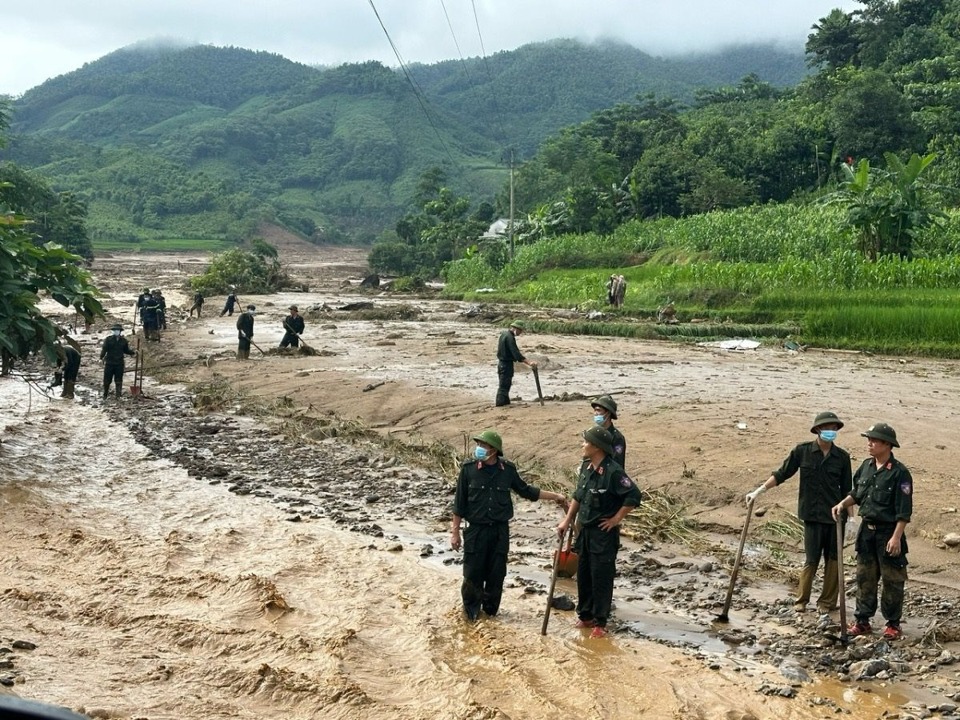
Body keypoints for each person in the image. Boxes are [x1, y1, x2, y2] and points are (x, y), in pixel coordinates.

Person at [450, 429, 567, 621]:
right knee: (472, 575)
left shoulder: (507, 471)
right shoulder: (468, 469)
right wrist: (455, 532)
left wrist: (555, 496)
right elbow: (459, 504)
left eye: (483, 445)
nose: (479, 449)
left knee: (496, 576)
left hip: (499, 532)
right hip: (475, 532)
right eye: (478, 444)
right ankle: (471, 617)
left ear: (494, 450)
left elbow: (526, 491)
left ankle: (490, 615)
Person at [746, 411, 852, 613]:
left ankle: (827, 602)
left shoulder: (842, 457)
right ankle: (801, 601)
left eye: (834, 428)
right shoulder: (802, 451)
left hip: (835, 516)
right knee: (811, 559)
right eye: (827, 428)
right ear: (818, 430)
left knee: (833, 559)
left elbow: (848, 491)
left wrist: (852, 519)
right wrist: (758, 492)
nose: (831, 431)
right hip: (811, 515)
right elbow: (782, 473)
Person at [557, 426, 642, 638]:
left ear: (597, 447)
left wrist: (616, 519)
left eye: (585, 442)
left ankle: (600, 621)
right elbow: (578, 496)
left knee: (601, 577)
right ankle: (585, 615)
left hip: (603, 535)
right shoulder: (586, 468)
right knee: (584, 575)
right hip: (584, 531)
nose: (582, 445)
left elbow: (634, 495)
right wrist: (567, 521)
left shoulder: (613, 472)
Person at [831, 423, 912, 640]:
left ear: (887, 444)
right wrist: (842, 503)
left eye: (874, 440)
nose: (869, 443)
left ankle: (893, 624)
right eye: (869, 439)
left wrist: (896, 537)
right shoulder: (866, 466)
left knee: (892, 580)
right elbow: (856, 493)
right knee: (864, 577)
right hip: (867, 532)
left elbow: (904, 511)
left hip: (888, 533)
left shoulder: (900, 473)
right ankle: (862, 621)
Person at [496, 320, 537, 407]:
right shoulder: (510, 338)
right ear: (515, 328)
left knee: (504, 384)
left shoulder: (504, 334)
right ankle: (500, 404)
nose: (520, 332)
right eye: (520, 330)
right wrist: (529, 362)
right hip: (506, 364)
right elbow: (516, 354)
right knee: (504, 385)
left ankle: (505, 403)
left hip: (501, 363)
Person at [99, 324, 135, 399]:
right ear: (113, 331)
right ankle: (105, 394)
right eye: (115, 330)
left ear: (120, 331)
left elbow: (126, 350)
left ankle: (118, 395)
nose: (116, 332)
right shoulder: (108, 340)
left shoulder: (124, 341)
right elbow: (104, 349)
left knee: (118, 380)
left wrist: (133, 352)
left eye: (118, 330)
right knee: (107, 380)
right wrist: (101, 358)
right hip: (109, 363)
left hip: (119, 363)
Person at [590, 395, 626, 468]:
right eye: (595, 410)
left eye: (599, 410)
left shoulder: (617, 438)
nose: (595, 413)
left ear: (608, 413)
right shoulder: (593, 433)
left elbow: (617, 463)